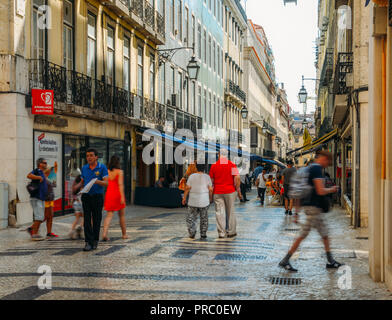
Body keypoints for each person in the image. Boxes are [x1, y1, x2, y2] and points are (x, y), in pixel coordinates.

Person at [279, 150, 343, 272]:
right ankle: (285, 260)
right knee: (307, 234)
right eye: (327, 161)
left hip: (310, 207)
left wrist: (296, 213)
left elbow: (300, 191)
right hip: (313, 209)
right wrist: (332, 189)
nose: (327, 163)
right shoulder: (317, 169)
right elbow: (320, 191)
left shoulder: (308, 169)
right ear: (323, 158)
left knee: (323, 234)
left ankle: (330, 260)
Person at [209, 149, 242, 238]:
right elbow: (237, 178)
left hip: (218, 192)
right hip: (230, 191)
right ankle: (231, 232)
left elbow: (211, 182)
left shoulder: (214, 166)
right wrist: (237, 189)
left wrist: (210, 196)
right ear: (227, 155)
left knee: (219, 212)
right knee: (230, 211)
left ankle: (221, 233)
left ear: (219, 154)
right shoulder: (232, 165)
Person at [80, 148, 109, 251]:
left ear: (96, 157)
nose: (89, 158)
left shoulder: (102, 167)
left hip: (97, 197)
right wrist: (78, 188)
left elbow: (106, 183)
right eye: (87, 156)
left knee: (97, 219)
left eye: (91, 155)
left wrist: (97, 181)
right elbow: (82, 181)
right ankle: (88, 242)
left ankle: (95, 241)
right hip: (86, 196)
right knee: (87, 220)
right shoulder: (84, 168)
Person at [182, 163, 213, 240]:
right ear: (204, 168)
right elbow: (210, 189)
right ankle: (203, 233)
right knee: (204, 218)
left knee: (191, 217)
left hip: (193, 201)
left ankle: (192, 232)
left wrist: (184, 198)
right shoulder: (207, 177)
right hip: (204, 201)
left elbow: (187, 188)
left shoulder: (191, 176)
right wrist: (210, 198)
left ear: (196, 168)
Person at [102, 155, 128, 241]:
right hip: (117, 194)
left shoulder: (107, 171)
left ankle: (104, 233)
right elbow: (120, 185)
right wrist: (122, 197)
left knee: (109, 215)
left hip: (109, 194)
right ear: (118, 162)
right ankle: (124, 234)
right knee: (121, 216)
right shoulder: (120, 172)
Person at [26, 158, 48, 241]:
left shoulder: (42, 172)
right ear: (40, 164)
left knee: (41, 217)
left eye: (46, 163)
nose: (46, 164)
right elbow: (28, 175)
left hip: (41, 197)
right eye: (44, 163)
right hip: (36, 197)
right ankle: (34, 234)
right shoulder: (37, 171)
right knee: (39, 217)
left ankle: (32, 229)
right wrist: (38, 177)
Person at [69, 174, 84, 239]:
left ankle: (72, 230)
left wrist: (71, 201)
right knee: (85, 217)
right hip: (82, 203)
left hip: (76, 203)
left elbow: (73, 194)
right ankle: (80, 227)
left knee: (77, 218)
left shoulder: (75, 186)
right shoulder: (82, 186)